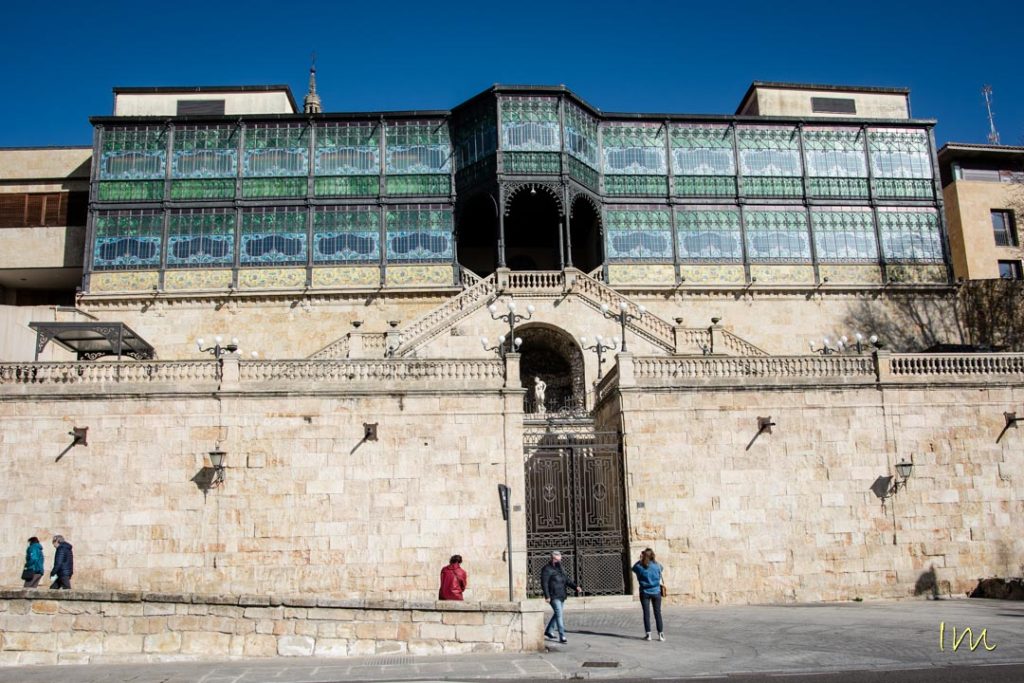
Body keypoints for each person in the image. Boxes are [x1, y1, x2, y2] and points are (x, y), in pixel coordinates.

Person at [540, 551, 581, 644]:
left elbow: (566, 580)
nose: (560, 561)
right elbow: (544, 583)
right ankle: (562, 635)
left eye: (560, 559)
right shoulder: (546, 569)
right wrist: (547, 596)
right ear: (553, 559)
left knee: (557, 613)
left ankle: (548, 631)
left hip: (561, 594)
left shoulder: (560, 568)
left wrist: (575, 587)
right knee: (559, 614)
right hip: (553, 595)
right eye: (558, 559)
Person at [631, 547, 664, 641]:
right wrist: (653, 560)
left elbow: (633, 568)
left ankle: (648, 634)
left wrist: (640, 559)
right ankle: (660, 634)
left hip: (644, 592)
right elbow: (661, 569)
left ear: (643, 555)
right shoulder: (657, 565)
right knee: (658, 613)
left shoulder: (640, 566)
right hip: (656, 591)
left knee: (646, 613)